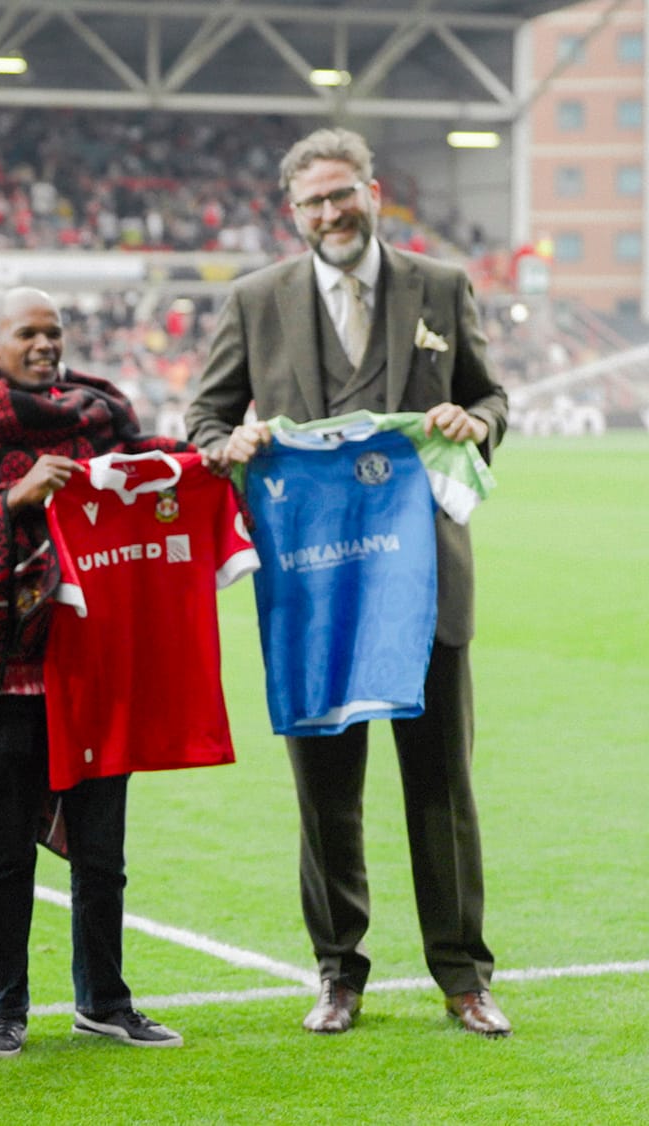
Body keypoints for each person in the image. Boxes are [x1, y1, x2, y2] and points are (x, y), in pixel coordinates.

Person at [187, 127, 512, 1038]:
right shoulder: (256, 300)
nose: (330, 212)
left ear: (373, 192)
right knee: (326, 792)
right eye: (313, 202)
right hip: (313, 585)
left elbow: (491, 397)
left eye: (342, 194)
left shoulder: (440, 285)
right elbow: (206, 416)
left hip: (424, 582)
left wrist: (475, 423)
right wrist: (227, 443)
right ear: (292, 213)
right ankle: (338, 972)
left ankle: (464, 976)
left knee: (440, 787)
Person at [0, 286, 187, 1059]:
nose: (44, 345)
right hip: (9, 678)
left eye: (54, 332)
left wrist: (215, 454)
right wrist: (13, 497)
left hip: (95, 668)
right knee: (5, 850)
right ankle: (4, 1009)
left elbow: (155, 467)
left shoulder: (98, 415)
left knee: (103, 851)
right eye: (27, 333)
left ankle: (105, 1002)